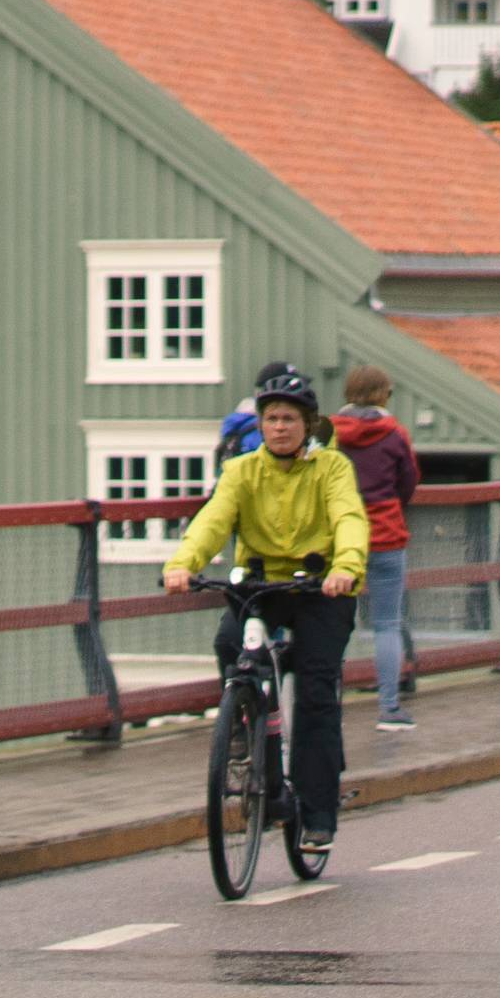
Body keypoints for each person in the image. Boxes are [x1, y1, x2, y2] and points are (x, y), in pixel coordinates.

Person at [162, 362, 369, 850]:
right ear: (260, 424)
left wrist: (347, 567)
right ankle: (245, 721)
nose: (279, 427)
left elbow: (349, 518)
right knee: (229, 641)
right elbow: (212, 521)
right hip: (261, 587)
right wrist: (182, 564)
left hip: (322, 589)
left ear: (308, 426)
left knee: (318, 693)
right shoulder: (241, 471)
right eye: (271, 418)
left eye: (289, 420)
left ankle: (318, 816)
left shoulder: (331, 468)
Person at [329, 363, 423, 733]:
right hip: (385, 535)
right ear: (383, 394)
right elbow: (408, 483)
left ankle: (326, 703)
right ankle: (389, 708)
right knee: (386, 624)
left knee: (332, 625)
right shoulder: (395, 433)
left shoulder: (329, 434)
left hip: (339, 539)